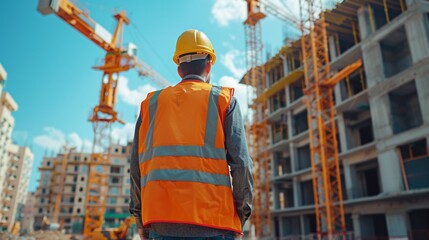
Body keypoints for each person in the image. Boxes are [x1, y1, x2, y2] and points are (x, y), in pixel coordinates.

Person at [129, 29, 254, 240]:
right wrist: (240, 216)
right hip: (214, 224)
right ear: (209, 64)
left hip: (161, 224)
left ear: (179, 69)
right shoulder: (223, 101)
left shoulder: (150, 105)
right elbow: (241, 164)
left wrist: (140, 220)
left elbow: (136, 168)